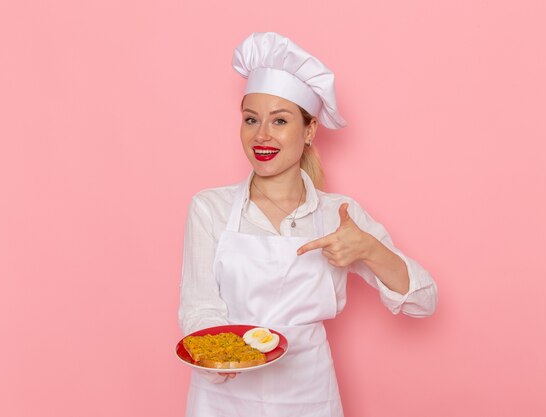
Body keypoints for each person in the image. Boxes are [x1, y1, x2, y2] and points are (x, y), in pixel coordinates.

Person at [178, 32, 437, 417]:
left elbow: (424, 302)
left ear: (310, 130)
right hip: (224, 395)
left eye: (279, 121)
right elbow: (199, 307)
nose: (261, 135)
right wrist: (228, 359)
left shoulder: (339, 215)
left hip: (307, 394)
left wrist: (368, 248)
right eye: (251, 120)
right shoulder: (209, 207)